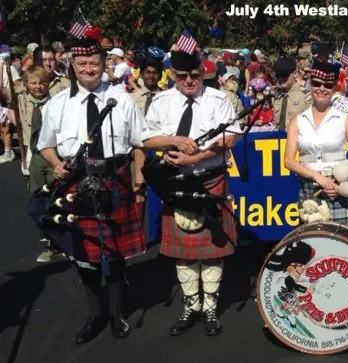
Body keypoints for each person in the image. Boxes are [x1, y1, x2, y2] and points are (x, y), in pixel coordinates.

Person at [36, 29, 147, 343]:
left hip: (114, 178)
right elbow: (45, 145)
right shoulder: (57, 104)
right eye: (82, 62)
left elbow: (139, 142)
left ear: (103, 64)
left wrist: (139, 179)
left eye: (94, 62)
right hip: (76, 181)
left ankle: (115, 315)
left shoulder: (122, 100)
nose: (88, 68)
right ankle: (94, 315)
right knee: (83, 256)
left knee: (113, 255)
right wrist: (56, 165)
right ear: (72, 64)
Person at [141, 45, 240, 337]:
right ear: (172, 74)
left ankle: (210, 307)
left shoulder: (218, 100)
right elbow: (146, 138)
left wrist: (194, 157)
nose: (189, 80)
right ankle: (191, 306)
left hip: (209, 179)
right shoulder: (161, 101)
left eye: (194, 75)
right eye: (182, 75)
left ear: (203, 73)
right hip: (175, 184)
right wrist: (175, 140)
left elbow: (230, 138)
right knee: (183, 255)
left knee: (212, 252)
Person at [283, 58, 348, 226]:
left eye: (328, 85)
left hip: (338, 189)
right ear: (310, 85)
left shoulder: (345, 120)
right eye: (317, 83)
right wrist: (317, 177)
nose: (322, 89)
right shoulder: (297, 121)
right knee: (312, 246)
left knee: (346, 245)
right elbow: (289, 161)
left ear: (334, 88)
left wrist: (339, 183)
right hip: (309, 188)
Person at [16, 66, 62, 262]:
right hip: (33, 156)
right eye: (33, 83)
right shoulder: (20, 101)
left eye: (42, 82)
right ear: (26, 85)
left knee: (57, 198)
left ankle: (58, 242)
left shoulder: (57, 102)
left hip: (53, 154)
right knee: (37, 201)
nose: (38, 86)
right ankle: (50, 238)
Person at [272, 57, 312, 131]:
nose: (280, 79)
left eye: (284, 75)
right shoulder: (276, 97)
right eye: (278, 76)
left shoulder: (305, 96)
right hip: (278, 139)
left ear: (295, 74)